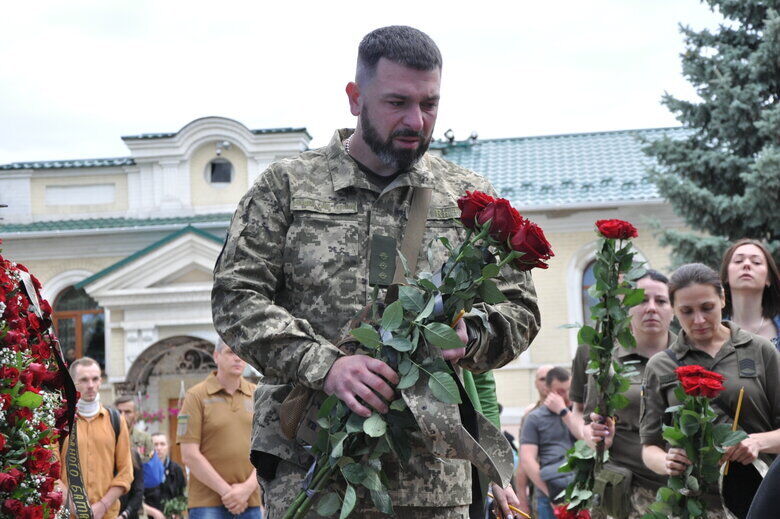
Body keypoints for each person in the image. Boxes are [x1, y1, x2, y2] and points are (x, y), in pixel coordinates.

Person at [211, 25, 540, 519]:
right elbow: (236, 297)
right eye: (397, 102)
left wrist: (470, 335)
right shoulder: (287, 187)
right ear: (354, 98)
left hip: (433, 477)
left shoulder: (467, 196)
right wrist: (324, 365)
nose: (416, 120)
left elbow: (520, 308)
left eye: (429, 104)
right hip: (311, 468)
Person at [640, 263, 780, 519]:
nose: (699, 320)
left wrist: (758, 442)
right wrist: (667, 462)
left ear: (723, 299)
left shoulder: (760, 350)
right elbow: (649, 447)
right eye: (687, 311)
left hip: (760, 499)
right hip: (693, 505)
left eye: (707, 308)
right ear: (673, 310)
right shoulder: (661, 365)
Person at [581, 270, 675, 518]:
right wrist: (597, 436)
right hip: (627, 492)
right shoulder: (606, 361)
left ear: (673, 308)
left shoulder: (691, 357)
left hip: (683, 490)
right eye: (642, 300)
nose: (652, 308)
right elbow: (587, 425)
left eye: (661, 301)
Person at [177, 339, 261, 519]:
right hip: (207, 504)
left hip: (250, 501)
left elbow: (267, 450)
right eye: (231, 352)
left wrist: (246, 490)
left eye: (241, 353)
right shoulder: (195, 396)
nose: (237, 358)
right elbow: (189, 454)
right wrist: (228, 493)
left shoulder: (258, 395)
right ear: (216, 356)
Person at [58, 357, 133, 519]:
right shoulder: (59, 421)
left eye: (95, 379)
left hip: (106, 514)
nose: (90, 385)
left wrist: (103, 505)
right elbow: (51, 474)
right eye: (84, 380)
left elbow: (126, 472)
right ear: (72, 383)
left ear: (100, 381)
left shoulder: (116, 420)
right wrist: (75, 507)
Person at [519, 367, 576, 519]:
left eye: (568, 390)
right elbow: (526, 460)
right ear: (548, 389)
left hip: (579, 492)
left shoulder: (578, 413)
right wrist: (552, 495)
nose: (566, 396)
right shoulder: (534, 418)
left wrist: (564, 412)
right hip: (548, 492)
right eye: (560, 392)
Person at [720, 238, 780, 349]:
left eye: (756, 262)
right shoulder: (711, 330)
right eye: (738, 261)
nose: (746, 264)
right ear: (727, 275)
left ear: (768, 278)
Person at [144, 433, 187, 519]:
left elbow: (181, 496)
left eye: (162, 444)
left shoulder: (176, 469)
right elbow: (136, 499)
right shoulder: (143, 469)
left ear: (168, 447)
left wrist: (177, 512)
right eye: (155, 444)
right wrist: (154, 513)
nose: (159, 448)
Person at [115, 395, 155, 462]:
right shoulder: (108, 437)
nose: (122, 416)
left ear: (136, 415)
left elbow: (150, 466)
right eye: (119, 412)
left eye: (127, 412)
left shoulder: (145, 439)